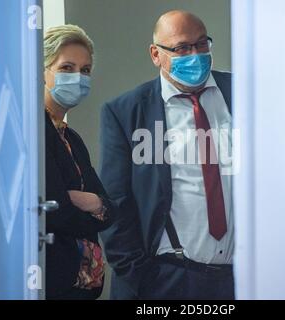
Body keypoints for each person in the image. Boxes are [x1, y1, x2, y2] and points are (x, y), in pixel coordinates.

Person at [100, 10, 234, 300]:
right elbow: (115, 203)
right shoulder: (126, 112)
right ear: (155, 54)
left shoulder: (241, 94)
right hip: (166, 280)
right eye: (182, 48)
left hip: (240, 278)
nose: (195, 55)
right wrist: (141, 277)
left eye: (202, 44)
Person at [44, 24, 115, 299]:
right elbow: (55, 210)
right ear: (42, 71)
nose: (78, 77)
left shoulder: (71, 137)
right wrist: (96, 207)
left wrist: (94, 202)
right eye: (66, 68)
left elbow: (110, 209)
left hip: (83, 289)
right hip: (52, 286)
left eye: (85, 70)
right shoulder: (33, 132)